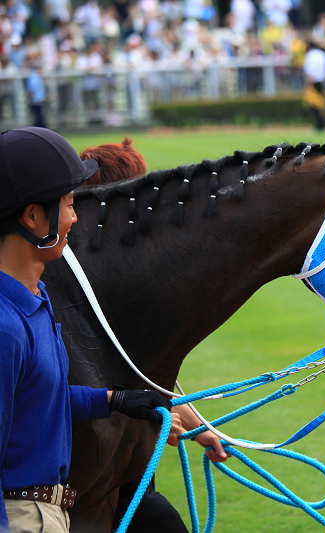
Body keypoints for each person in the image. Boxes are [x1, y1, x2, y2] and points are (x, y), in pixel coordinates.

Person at [0, 127, 173, 533]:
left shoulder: (37, 296)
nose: (75, 217)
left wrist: (116, 399)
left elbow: (42, 400)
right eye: (67, 204)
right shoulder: (5, 327)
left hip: (47, 513)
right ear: (32, 217)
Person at [77, 137, 230, 532]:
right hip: (85, 477)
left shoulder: (115, 281)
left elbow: (142, 372)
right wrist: (148, 415)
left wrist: (192, 421)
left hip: (119, 470)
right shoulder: (71, 290)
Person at [303, 40, 325, 131]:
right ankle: (324, 123)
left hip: (313, 82)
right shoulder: (322, 54)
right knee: (322, 105)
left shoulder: (310, 55)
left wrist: (308, 84)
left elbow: (310, 70)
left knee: (315, 105)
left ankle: (319, 125)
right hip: (322, 81)